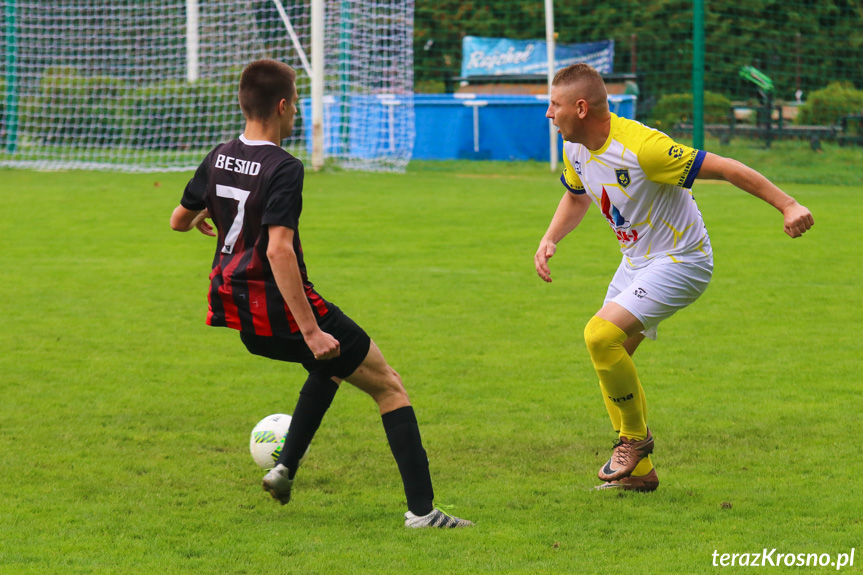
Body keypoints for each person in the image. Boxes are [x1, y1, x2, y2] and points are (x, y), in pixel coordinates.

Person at [170, 59, 472, 528]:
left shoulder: (218, 155)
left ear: (242, 102)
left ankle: (285, 468)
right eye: (297, 104)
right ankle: (422, 512)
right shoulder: (284, 167)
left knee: (330, 367)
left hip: (243, 318)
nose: (298, 113)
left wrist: (204, 216)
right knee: (389, 386)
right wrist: (310, 329)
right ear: (284, 105)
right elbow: (279, 250)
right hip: (284, 312)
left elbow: (178, 219)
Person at [536, 63, 813, 492]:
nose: (549, 115)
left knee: (599, 335)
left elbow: (724, 167)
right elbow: (576, 197)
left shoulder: (644, 148)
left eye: (554, 105)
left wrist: (788, 204)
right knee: (612, 358)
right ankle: (641, 475)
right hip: (637, 262)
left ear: (581, 107)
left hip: (683, 259)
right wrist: (550, 238)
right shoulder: (575, 150)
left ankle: (634, 440)